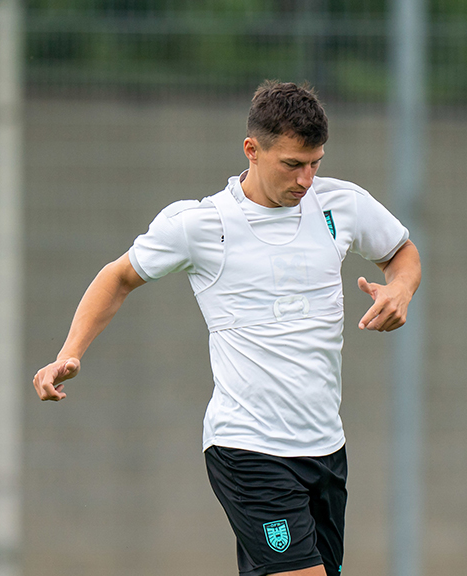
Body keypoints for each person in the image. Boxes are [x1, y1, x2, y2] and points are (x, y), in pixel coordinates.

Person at [32, 81, 421, 576]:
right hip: (248, 448)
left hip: (326, 448)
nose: (306, 179)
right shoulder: (203, 224)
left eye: (315, 163)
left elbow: (400, 252)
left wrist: (400, 288)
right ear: (251, 150)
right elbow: (119, 276)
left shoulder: (339, 204)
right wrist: (69, 352)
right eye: (292, 164)